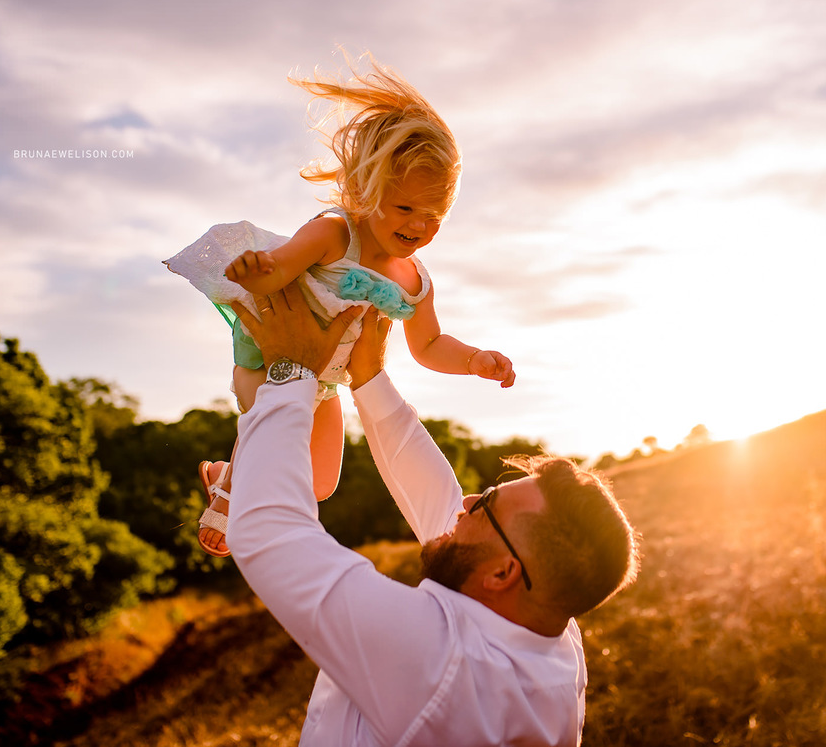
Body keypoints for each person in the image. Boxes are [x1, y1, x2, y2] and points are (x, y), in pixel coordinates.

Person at [223, 282, 640, 746]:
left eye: (485, 507)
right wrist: (368, 375)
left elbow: (269, 533)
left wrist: (291, 371)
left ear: (503, 572)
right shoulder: (550, 629)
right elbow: (436, 497)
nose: (466, 503)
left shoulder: (439, 661)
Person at [164, 56, 515, 556]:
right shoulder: (334, 233)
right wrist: (256, 269)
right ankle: (231, 493)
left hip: (323, 383)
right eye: (406, 208)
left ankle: (231, 475)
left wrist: (473, 360)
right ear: (364, 191)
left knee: (322, 481)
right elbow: (282, 266)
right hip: (270, 359)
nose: (420, 225)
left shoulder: (415, 282)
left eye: (435, 214)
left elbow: (430, 344)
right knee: (276, 448)